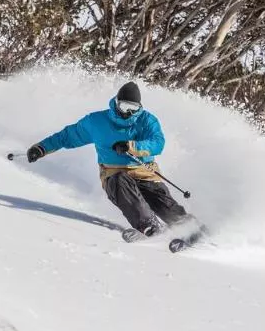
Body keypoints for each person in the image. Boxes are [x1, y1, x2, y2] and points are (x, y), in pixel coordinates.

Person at [26, 81, 189, 237]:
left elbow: (157, 143)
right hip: (114, 173)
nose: (128, 112)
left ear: (139, 107)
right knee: (121, 182)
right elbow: (68, 136)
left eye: (133, 108)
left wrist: (131, 146)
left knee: (166, 207)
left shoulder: (147, 120)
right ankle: (149, 225)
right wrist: (42, 148)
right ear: (116, 103)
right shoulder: (96, 122)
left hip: (145, 172)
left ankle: (192, 230)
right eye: (125, 106)